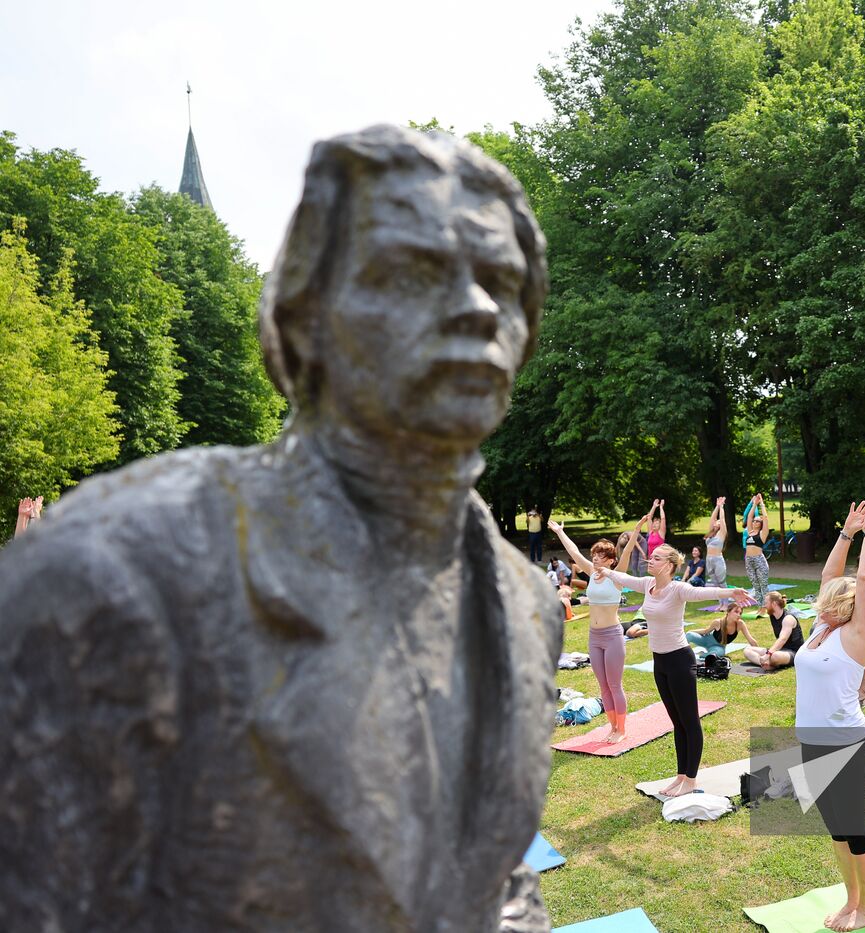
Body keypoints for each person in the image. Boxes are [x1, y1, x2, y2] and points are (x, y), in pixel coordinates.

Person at [0, 126, 560, 928]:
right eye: (413, 273)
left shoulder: (529, 605)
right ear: (305, 317)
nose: (475, 308)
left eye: (500, 281)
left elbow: (498, 875)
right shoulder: (109, 572)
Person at [602, 545, 754, 798]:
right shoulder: (649, 585)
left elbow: (703, 592)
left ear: (670, 565)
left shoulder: (677, 589)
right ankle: (681, 776)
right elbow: (623, 578)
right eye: (652, 557)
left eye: (657, 558)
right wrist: (603, 571)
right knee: (676, 722)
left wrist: (731, 591)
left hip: (680, 661)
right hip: (659, 663)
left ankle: (691, 780)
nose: (651, 560)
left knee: (690, 721)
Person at [796, 501, 865, 932]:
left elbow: (862, 579)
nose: (819, 604)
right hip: (811, 738)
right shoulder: (820, 629)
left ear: (846, 608)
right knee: (834, 829)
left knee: (854, 826)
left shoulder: (856, 633)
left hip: (844, 740)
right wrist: (846, 531)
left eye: (828, 602)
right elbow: (832, 574)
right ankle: (851, 900)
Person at [550, 521, 632, 743]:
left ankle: (622, 730)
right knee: (603, 686)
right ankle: (613, 726)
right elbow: (574, 552)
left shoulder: (617, 577)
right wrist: (560, 532)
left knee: (615, 685)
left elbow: (626, 555)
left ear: (610, 560)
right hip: (594, 637)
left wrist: (635, 533)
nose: (594, 558)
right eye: (594, 555)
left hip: (613, 636)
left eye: (600, 556)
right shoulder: (590, 573)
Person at [743, 591, 806, 670]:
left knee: (774, 656)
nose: (765, 606)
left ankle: (768, 661)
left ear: (774, 604)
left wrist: (768, 654)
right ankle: (766, 664)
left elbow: (782, 639)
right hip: (780, 650)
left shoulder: (788, 619)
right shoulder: (772, 616)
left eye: (766, 603)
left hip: (794, 653)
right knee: (747, 650)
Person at [688, 603, 759, 658]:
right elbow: (705, 631)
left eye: (740, 613)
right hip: (706, 640)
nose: (738, 615)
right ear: (728, 612)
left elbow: (750, 640)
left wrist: (760, 653)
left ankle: (702, 654)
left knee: (717, 654)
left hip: (718, 647)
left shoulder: (740, 624)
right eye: (736, 612)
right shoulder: (718, 622)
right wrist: (690, 631)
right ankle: (679, 654)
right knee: (689, 635)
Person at [743, 493, 772, 601]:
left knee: (763, 585)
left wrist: (762, 503)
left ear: (761, 524)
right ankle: (761, 606)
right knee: (756, 586)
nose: (755, 522)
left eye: (758, 521)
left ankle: (766, 605)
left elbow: (765, 517)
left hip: (759, 560)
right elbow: (749, 516)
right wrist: (754, 504)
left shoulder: (762, 534)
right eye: (754, 521)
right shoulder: (750, 531)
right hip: (749, 560)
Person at [705, 497, 729, 601]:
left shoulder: (721, 534)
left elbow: (722, 519)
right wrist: (717, 506)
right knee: (715, 584)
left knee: (722, 583)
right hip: (709, 559)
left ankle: (725, 604)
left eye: (718, 522)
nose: (716, 522)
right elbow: (712, 518)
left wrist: (721, 507)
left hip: (718, 560)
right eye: (716, 521)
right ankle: (721, 604)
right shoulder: (711, 533)